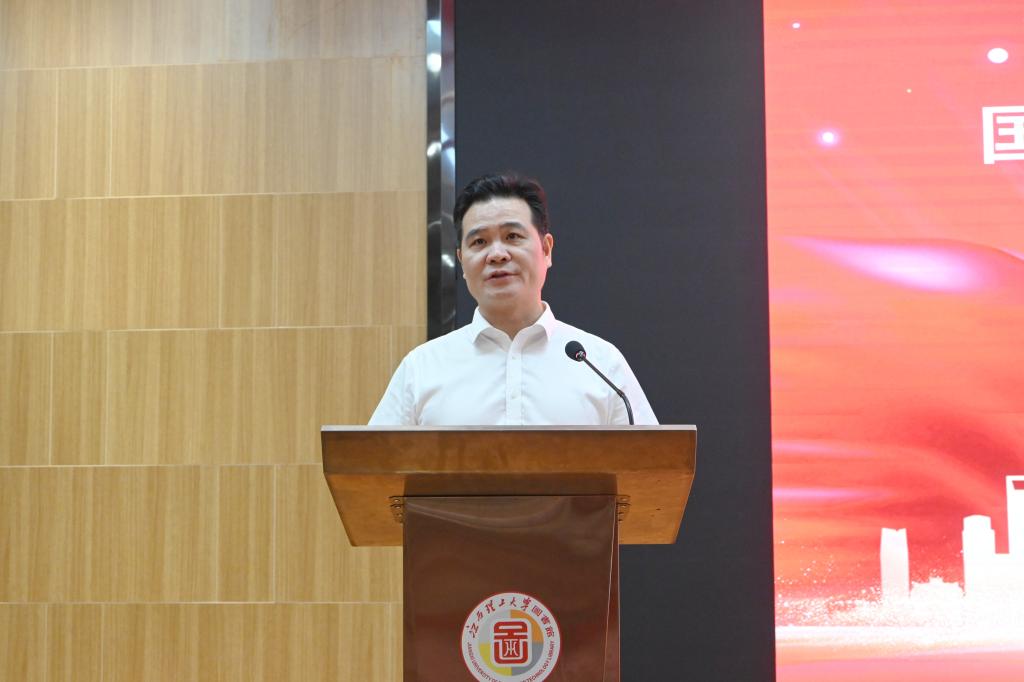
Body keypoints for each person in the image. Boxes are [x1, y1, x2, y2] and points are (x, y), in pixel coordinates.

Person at [368, 173, 657, 426]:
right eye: (479, 242)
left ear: (546, 249)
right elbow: (373, 466)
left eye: (513, 236)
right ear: (461, 261)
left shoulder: (601, 363)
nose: (496, 254)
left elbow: (651, 465)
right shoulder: (421, 368)